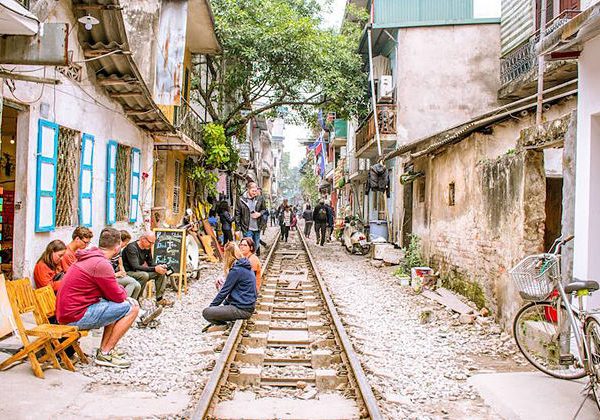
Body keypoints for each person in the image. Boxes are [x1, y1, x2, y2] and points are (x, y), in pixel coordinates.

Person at [56, 227, 140, 368]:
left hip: (68, 311)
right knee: (133, 308)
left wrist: (119, 294)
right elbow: (118, 296)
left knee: (116, 305)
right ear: (118, 247)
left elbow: (112, 294)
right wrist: (125, 296)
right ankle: (105, 353)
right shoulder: (101, 264)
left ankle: (105, 351)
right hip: (74, 316)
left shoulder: (91, 258)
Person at [202, 245, 256, 328]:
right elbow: (234, 291)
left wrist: (211, 308)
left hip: (242, 309)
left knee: (206, 312)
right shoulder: (246, 266)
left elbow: (224, 292)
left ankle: (223, 325)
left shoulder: (236, 270)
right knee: (215, 310)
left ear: (228, 256)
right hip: (248, 307)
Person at [122, 232, 173, 307]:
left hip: (138, 271)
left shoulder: (147, 247)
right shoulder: (131, 248)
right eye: (150, 242)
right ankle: (137, 300)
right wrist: (155, 268)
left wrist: (160, 266)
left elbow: (150, 263)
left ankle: (159, 300)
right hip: (128, 272)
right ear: (143, 239)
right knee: (144, 275)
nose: (151, 245)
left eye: (153, 243)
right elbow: (135, 266)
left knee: (160, 273)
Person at [235, 182, 267, 256]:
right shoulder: (241, 200)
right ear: (248, 189)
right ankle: (248, 261)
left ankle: (253, 259)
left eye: (256, 191)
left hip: (257, 227)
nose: (255, 193)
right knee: (248, 246)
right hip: (246, 227)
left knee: (256, 245)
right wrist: (237, 229)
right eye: (253, 191)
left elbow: (264, 210)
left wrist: (259, 214)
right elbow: (237, 214)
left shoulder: (260, 198)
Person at [110, 230, 141, 300]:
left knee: (138, 285)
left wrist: (123, 272)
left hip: (117, 274)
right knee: (132, 282)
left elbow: (121, 264)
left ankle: (133, 305)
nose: (126, 245)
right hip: (112, 276)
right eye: (126, 243)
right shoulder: (110, 251)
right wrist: (116, 274)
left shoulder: (119, 251)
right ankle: (124, 304)